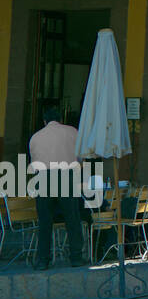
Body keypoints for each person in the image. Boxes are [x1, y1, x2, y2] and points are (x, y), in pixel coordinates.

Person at [28, 107, 86, 269]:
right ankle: (76, 258)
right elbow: (80, 158)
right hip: (67, 176)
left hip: (43, 177)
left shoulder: (35, 137)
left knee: (45, 221)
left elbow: (34, 165)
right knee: (72, 218)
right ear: (60, 118)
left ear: (44, 121)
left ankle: (42, 260)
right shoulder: (72, 132)